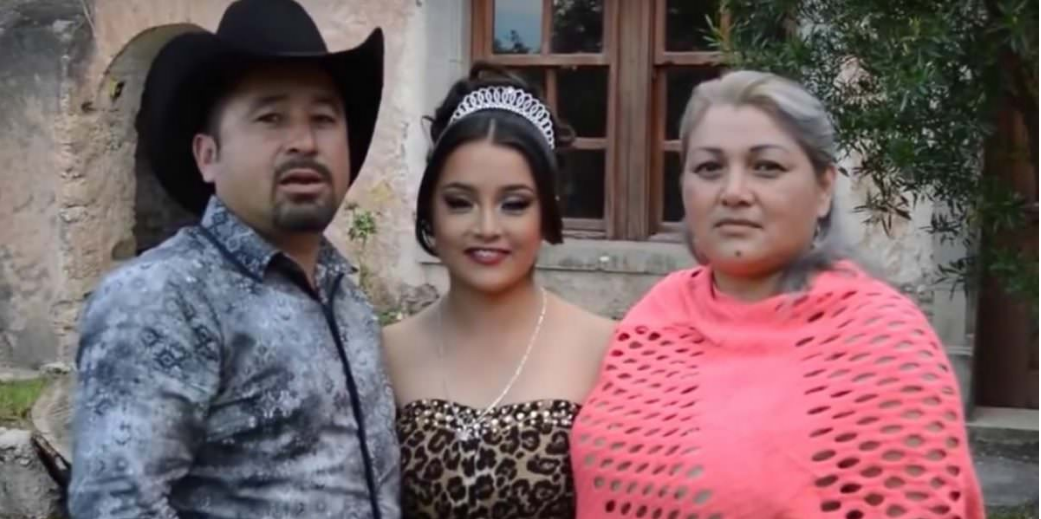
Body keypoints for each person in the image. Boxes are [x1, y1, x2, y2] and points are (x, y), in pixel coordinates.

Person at [571, 71, 985, 518]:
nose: (733, 193)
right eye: (709, 168)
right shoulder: (652, 323)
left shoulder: (882, 342)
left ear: (824, 188)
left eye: (766, 167)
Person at [68, 1, 400, 517]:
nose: (304, 142)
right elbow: (116, 506)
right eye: (271, 118)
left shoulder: (347, 299)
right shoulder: (164, 297)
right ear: (208, 155)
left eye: (323, 118)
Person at [382, 63, 615, 518]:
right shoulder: (385, 353)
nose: (487, 227)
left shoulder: (608, 351)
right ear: (430, 211)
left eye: (514, 204)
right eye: (460, 203)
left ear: (547, 211)